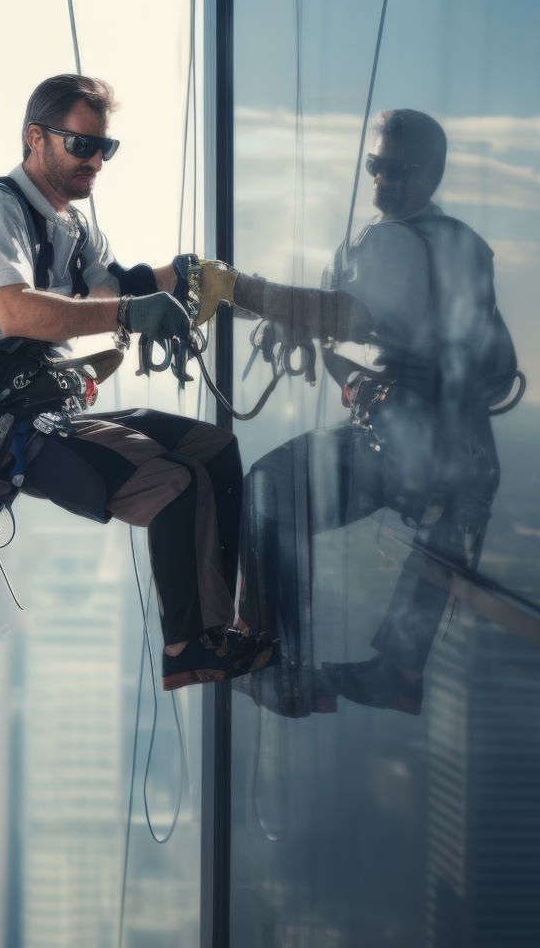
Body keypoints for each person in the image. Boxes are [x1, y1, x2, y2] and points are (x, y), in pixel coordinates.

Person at [0, 73, 273, 691]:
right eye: (81, 146)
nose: (96, 162)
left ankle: (220, 626)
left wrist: (181, 276)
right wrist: (132, 314)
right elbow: (18, 312)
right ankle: (188, 649)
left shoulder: (74, 226)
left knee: (213, 449)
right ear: (36, 138)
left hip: (44, 404)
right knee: (172, 483)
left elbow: (110, 289)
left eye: (104, 149)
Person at [205, 109, 514, 715]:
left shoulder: (391, 241)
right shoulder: (460, 243)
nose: (384, 182)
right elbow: (370, 324)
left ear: (432, 174)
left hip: (411, 444)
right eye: (376, 167)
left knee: (269, 491)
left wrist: (238, 290)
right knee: (287, 493)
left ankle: (273, 664)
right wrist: (298, 323)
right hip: (461, 452)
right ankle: (397, 669)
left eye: (401, 170)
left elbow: (344, 315)